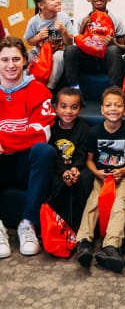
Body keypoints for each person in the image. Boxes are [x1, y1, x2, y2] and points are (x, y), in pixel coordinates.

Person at [0, 36, 56, 258]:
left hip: (25, 166)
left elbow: (40, 135)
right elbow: (28, 134)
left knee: (45, 152)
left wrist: (3, 142)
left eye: (16, 59)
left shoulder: (38, 90)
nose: (10, 65)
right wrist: (18, 139)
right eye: (4, 60)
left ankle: (28, 223)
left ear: (25, 60)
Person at [75, 86, 125, 273]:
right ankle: (84, 242)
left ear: (124, 110)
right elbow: (89, 160)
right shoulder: (94, 132)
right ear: (102, 109)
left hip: (122, 178)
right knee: (93, 203)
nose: (113, 109)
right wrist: (97, 173)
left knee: (119, 205)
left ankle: (111, 247)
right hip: (100, 177)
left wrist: (122, 171)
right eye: (109, 105)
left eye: (118, 105)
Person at [64, 0, 125, 88]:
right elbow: (79, 47)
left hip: (105, 62)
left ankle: (114, 90)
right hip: (88, 62)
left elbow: (123, 49)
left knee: (113, 50)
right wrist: (82, 30)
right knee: (70, 49)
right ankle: (74, 88)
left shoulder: (116, 19)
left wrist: (113, 43)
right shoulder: (83, 19)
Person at [49, 87, 93, 228]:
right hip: (58, 168)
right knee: (56, 183)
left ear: (79, 109)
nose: (68, 111)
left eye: (74, 107)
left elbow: (82, 151)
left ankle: (77, 225)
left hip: (76, 167)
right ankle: (54, 224)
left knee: (83, 180)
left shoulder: (83, 128)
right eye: (63, 106)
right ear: (56, 108)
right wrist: (63, 172)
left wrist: (75, 168)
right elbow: (53, 154)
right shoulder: (51, 127)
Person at [24, 0, 73, 89]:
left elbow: (70, 43)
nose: (58, 0)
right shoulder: (34, 21)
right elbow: (29, 41)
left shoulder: (63, 17)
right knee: (25, 55)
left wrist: (64, 31)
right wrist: (38, 37)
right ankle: (27, 84)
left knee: (58, 56)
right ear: (41, 5)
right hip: (39, 53)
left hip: (57, 52)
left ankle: (50, 88)